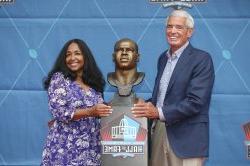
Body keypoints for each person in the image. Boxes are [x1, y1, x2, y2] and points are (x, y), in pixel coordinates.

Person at [131, 9, 215, 166]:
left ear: (189, 32)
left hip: (187, 139)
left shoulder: (201, 59)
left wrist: (158, 112)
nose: (172, 31)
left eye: (179, 27)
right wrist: (146, 104)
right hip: (160, 133)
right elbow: (164, 97)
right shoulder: (163, 58)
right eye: (169, 26)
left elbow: (196, 102)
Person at [41, 39, 112, 166]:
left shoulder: (94, 83)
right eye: (68, 54)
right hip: (65, 150)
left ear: (85, 57)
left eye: (77, 53)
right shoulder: (59, 78)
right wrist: (90, 111)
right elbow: (60, 112)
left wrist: (117, 105)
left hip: (91, 150)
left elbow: (100, 110)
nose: (72, 57)